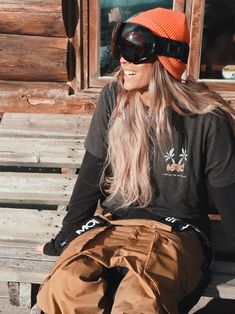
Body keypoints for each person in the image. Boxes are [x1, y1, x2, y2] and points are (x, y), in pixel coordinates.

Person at [37, 7, 235, 314]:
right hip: (111, 226)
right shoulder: (114, 100)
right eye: (120, 47)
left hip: (176, 234)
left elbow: (229, 200)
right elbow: (91, 175)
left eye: (135, 48)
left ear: (167, 57)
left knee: (141, 298)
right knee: (65, 286)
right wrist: (65, 237)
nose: (123, 59)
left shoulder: (207, 120)